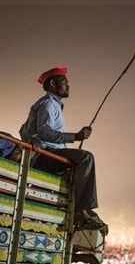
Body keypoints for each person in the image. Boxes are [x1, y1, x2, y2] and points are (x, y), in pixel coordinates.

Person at [19, 66, 106, 232]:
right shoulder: (48, 104)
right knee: (86, 158)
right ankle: (81, 211)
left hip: (49, 154)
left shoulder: (51, 105)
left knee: (80, 161)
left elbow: (24, 130)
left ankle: (82, 209)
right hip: (45, 156)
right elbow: (45, 132)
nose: (68, 86)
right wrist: (75, 137)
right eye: (65, 83)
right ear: (53, 84)